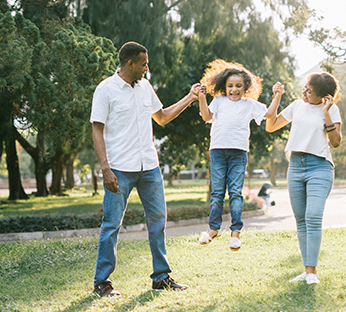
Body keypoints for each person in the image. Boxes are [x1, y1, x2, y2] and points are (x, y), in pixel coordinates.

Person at [90, 41, 201, 297]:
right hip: (119, 168)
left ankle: (161, 277)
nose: (146, 68)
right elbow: (97, 129)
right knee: (111, 224)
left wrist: (190, 97)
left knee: (158, 221)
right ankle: (102, 282)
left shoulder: (145, 86)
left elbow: (161, 117)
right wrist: (105, 169)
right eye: (143, 63)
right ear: (130, 63)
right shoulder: (106, 89)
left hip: (149, 167)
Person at [265, 72, 342, 285]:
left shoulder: (332, 109)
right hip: (296, 166)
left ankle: (312, 272)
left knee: (313, 216)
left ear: (324, 97)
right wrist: (277, 97)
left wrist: (326, 113)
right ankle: (307, 271)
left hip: (320, 167)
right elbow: (270, 126)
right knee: (301, 221)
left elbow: (335, 141)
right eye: (305, 88)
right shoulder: (297, 106)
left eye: (310, 91)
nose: (305, 93)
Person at [197, 59, 268, 251]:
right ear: (224, 86)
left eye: (238, 86)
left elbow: (269, 114)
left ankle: (235, 233)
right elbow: (206, 117)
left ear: (246, 88)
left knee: (236, 192)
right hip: (218, 151)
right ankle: (213, 229)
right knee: (218, 192)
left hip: (238, 153)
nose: (234, 90)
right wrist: (202, 98)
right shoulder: (219, 101)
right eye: (230, 86)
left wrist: (277, 95)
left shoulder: (249, 104)